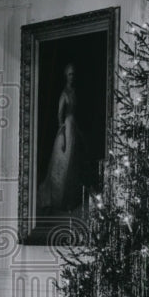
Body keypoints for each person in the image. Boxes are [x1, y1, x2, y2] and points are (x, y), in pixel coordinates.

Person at [38, 63, 86, 213]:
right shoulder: (64, 93)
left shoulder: (74, 91)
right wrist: (63, 134)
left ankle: (70, 199)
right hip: (66, 127)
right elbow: (59, 115)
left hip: (74, 126)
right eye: (70, 74)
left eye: (74, 74)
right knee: (62, 164)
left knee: (73, 163)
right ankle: (59, 200)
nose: (72, 77)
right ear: (66, 76)